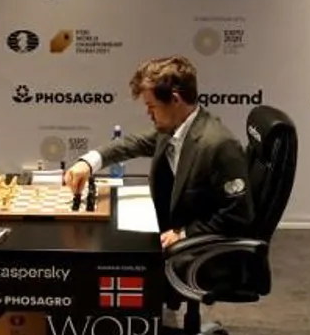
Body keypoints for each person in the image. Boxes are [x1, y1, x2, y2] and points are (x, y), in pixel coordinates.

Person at [63, 55, 254, 249]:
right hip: (164, 228)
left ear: (175, 100)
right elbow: (131, 144)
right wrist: (88, 162)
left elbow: (237, 215)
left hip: (198, 254)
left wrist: (184, 234)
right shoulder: (172, 128)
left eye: (151, 106)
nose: (148, 113)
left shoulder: (219, 145)